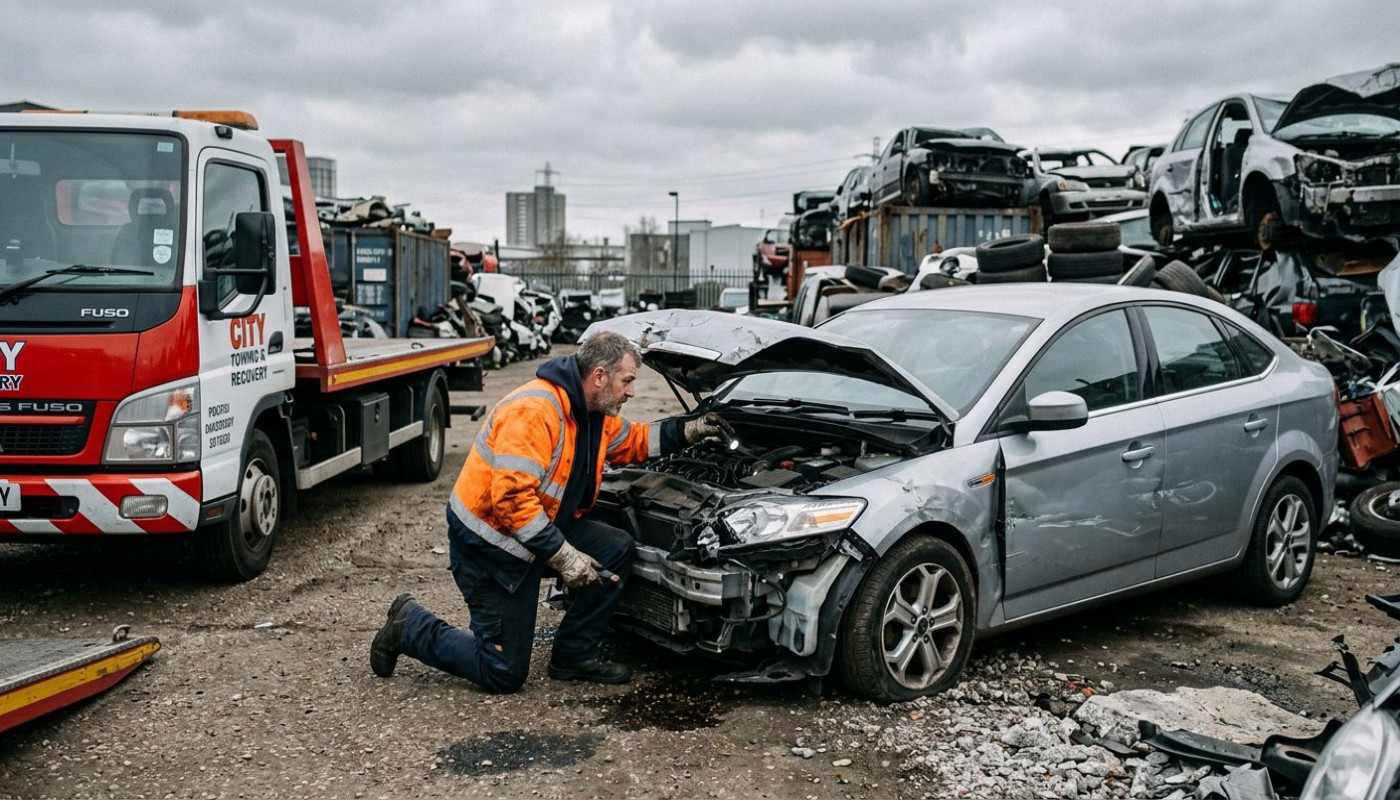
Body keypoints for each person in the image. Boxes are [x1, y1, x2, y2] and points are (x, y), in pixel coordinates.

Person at [369, 331, 722, 692]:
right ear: (599, 376)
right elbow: (511, 501)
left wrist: (689, 430)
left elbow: (634, 441)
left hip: (535, 534)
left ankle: (573, 654)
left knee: (614, 548)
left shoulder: (593, 413)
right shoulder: (535, 411)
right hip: (492, 550)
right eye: (627, 380)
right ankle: (409, 625)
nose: (631, 391)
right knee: (503, 671)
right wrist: (564, 556)